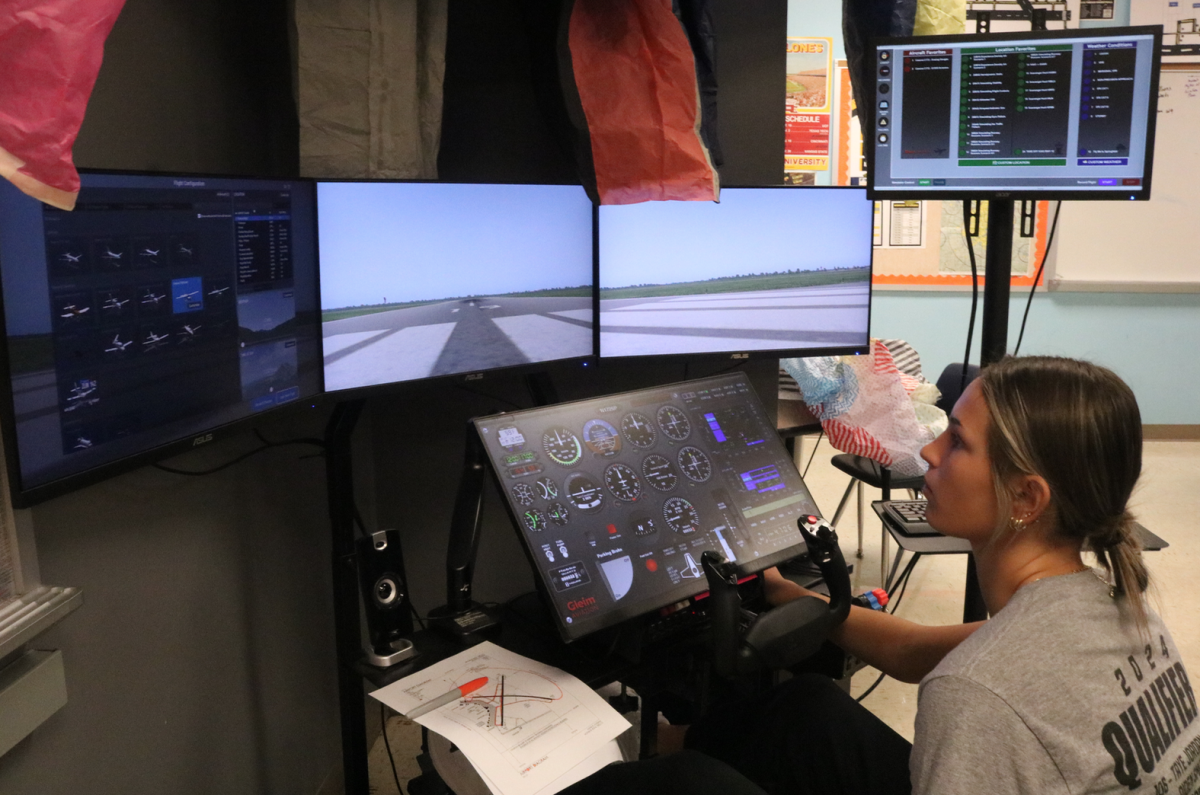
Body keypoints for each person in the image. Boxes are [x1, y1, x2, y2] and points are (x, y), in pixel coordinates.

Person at [564, 356, 1200, 795]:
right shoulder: (1112, 604)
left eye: (956, 441)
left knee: (685, 786)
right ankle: (681, 741)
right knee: (805, 712)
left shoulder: (978, 695)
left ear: (1026, 499)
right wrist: (787, 593)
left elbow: (967, 678)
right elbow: (917, 649)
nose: (928, 451)